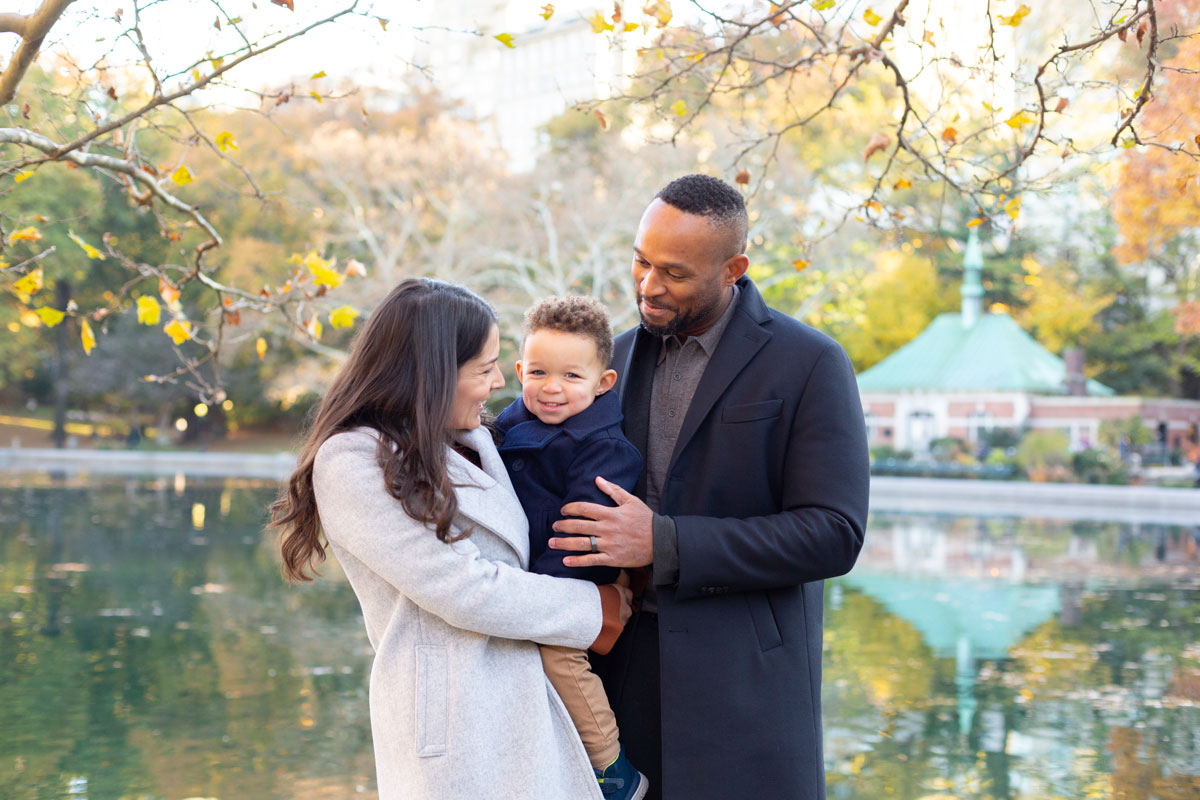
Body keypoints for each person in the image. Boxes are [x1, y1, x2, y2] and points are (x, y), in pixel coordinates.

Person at [549, 174, 870, 800]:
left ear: (733, 269)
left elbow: (835, 534)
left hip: (746, 697)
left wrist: (663, 544)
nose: (648, 285)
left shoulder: (811, 362)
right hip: (617, 690)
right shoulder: (608, 362)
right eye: (641, 262)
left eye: (673, 272)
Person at [270, 278, 632, 800]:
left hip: (535, 707)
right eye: (484, 368)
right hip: (459, 729)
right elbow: (464, 586)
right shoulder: (352, 459)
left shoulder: (475, 436)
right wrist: (600, 608)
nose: (496, 383)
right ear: (435, 372)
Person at [493, 296, 647, 800]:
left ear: (603, 383)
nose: (552, 388)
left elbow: (582, 536)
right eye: (538, 372)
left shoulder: (604, 448)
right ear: (519, 370)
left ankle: (612, 768)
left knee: (559, 656)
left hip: (569, 579)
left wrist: (537, 596)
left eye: (571, 377)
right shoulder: (504, 427)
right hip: (526, 581)